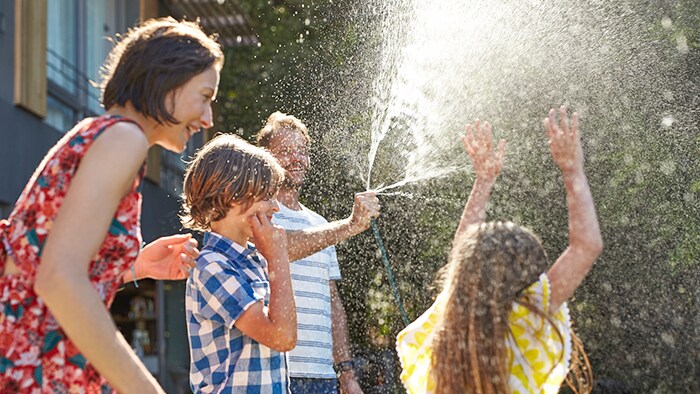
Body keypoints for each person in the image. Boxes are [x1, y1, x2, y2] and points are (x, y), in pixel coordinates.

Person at [0, 18, 223, 393]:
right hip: (37, 370)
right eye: (204, 97)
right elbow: (58, 279)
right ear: (167, 79)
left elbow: (36, 262)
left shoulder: (102, 134)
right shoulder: (124, 139)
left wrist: (131, 266)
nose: (207, 119)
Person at [396, 107, 603, 394]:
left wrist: (484, 179)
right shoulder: (527, 318)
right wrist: (572, 169)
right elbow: (586, 245)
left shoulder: (453, 320)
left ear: (465, 268)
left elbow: (462, 248)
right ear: (528, 273)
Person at [256, 112, 380, 394]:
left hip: (323, 376)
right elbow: (283, 248)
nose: (297, 159)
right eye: (286, 152)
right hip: (279, 372)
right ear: (266, 157)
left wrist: (346, 372)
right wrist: (349, 226)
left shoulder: (320, 224)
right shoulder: (260, 215)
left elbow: (332, 302)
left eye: (302, 152)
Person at [181, 134, 295, 393]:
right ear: (231, 194)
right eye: (266, 196)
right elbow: (282, 336)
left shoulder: (253, 260)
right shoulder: (212, 266)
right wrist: (279, 258)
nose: (275, 207)